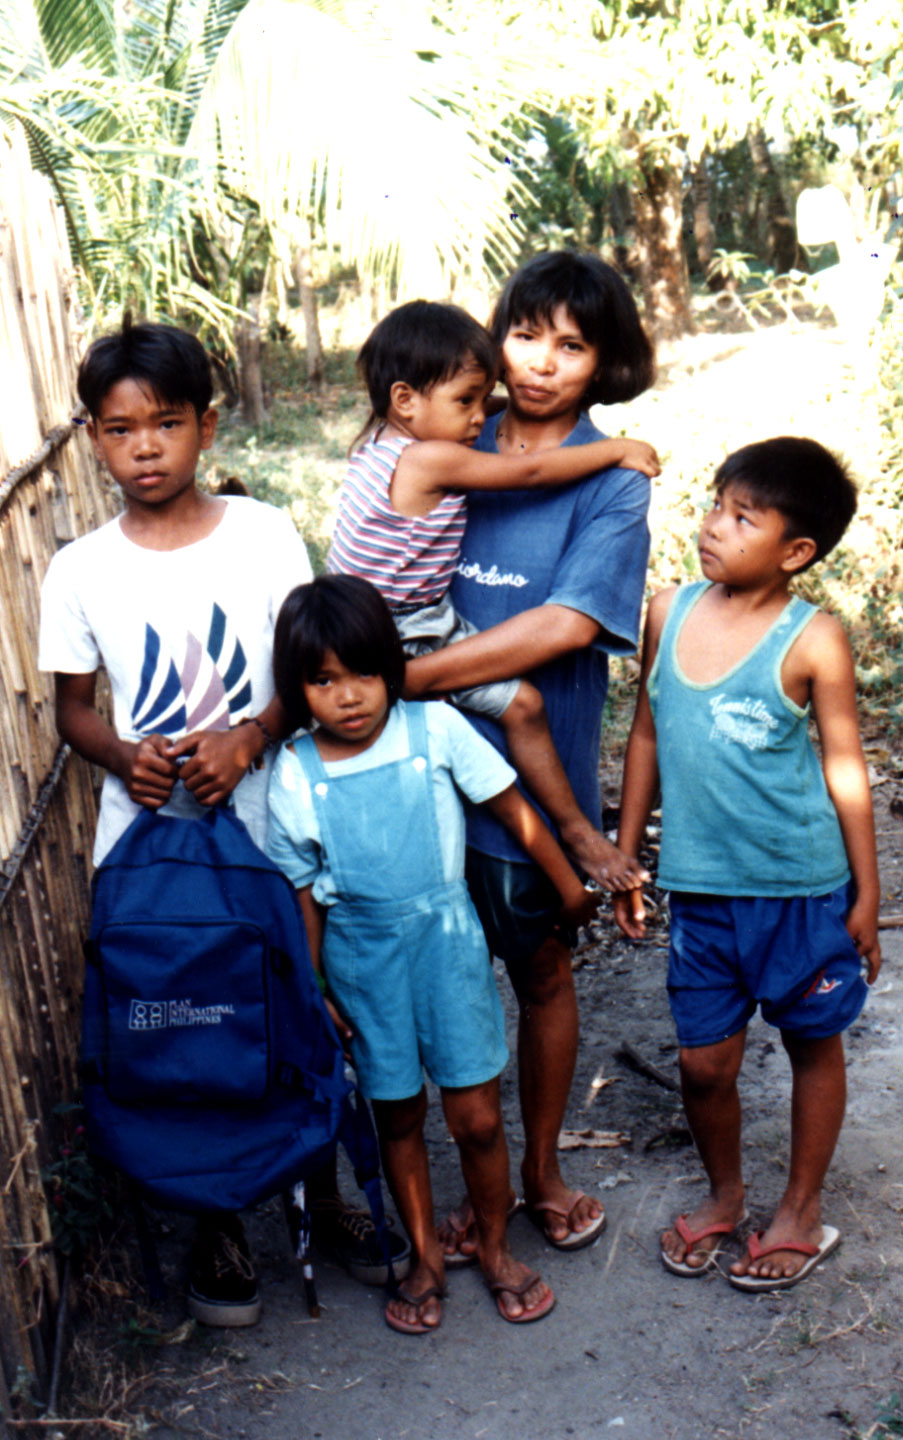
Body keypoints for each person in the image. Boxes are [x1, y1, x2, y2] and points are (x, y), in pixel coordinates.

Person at [37, 319, 408, 1327]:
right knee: (195, 1018)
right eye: (119, 430)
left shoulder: (264, 536)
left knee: (300, 1000)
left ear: (207, 426)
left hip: (274, 821)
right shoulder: (79, 570)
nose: (145, 448)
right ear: (91, 439)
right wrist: (126, 754)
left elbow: (310, 665)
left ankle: (324, 1190)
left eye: (165, 423)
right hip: (152, 847)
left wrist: (252, 734)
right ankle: (216, 1219)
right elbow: (76, 710)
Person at [402, 251, 656, 1257]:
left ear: (604, 364)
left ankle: (543, 1165)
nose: (542, 363)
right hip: (415, 771)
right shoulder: (456, 432)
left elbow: (562, 626)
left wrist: (411, 674)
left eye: (573, 344)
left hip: (527, 787)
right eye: (525, 334)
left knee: (540, 971)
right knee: (439, 982)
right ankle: (478, 1178)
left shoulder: (613, 481)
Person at [266, 574, 601, 1332]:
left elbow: (511, 807)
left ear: (392, 667)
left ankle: (492, 1246)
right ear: (298, 688)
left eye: (364, 674)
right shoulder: (295, 773)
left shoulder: (433, 729)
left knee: (477, 1116)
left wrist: (568, 887)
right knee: (398, 1116)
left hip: (448, 946)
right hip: (360, 961)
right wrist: (314, 986)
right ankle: (423, 1256)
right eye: (323, 681)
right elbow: (304, 896)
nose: (348, 696)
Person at [613, 436, 882, 1290]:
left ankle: (799, 1210)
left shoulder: (814, 640)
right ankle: (726, 1196)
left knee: (812, 1043)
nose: (713, 527)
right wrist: (626, 856)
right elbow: (649, 730)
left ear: (795, 551)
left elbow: (845, 768)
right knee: (703, 1063)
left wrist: (867, 895)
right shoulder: (669, 610)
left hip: (800, 891)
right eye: (714, 505)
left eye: (742, 517)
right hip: (701, 892)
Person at [327, 299, 659, 890]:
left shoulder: (380, 440)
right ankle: (578, 834)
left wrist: (483, 401)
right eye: (466, 403)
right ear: (406, 400)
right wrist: (616, 450)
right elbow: (528, 473)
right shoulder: (432, 457)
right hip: (405, 631)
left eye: (571, 347)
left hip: (351, 624)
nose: (479, 417)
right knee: (523, 707)